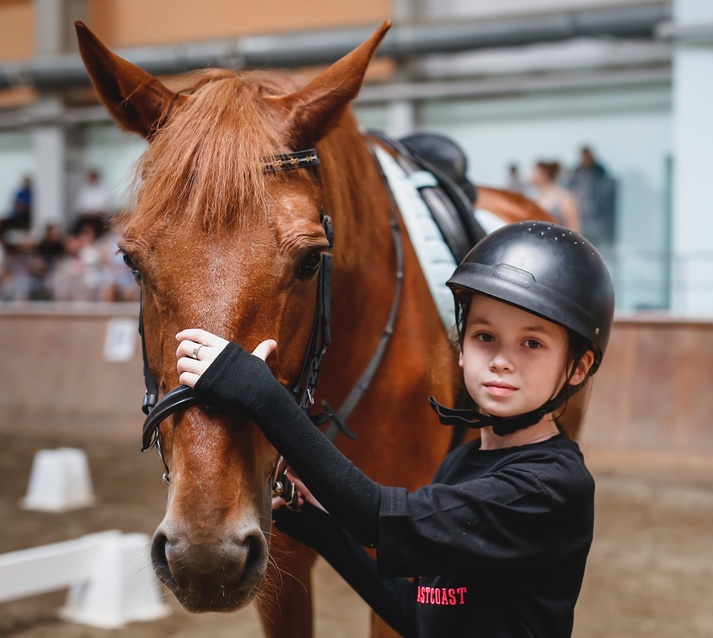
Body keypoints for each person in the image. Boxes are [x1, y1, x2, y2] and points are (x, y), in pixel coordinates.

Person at [172, 221, 615, 637]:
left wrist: (258, 392)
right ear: (461, 349)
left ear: (578, 366)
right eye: (485, 336)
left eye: (531, 343)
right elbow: (417, 613)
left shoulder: (550, 487)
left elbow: (377, 517)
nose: (501, 359)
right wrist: (315, 525)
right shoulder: (461, 461)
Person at [566, 146, 616, 249]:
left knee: (599, 247)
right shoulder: (576, 172)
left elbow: (606, 195)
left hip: (597, 219)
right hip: (581, 216)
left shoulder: (600, 173)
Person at [528, 161, 581, 232]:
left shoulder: (563, 197)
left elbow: (575, 228)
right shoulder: (536, 198)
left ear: (543, 174)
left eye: (534, 172)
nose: (531, 176)